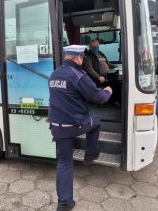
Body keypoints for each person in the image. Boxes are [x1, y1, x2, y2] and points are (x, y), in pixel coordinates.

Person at [48, 45, 112, 211]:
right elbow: (98, 98)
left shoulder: (54, 74)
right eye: (82, 58)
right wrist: (108, 91)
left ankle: (64, 203)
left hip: (57, 126)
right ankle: (90, 155)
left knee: (64, 163)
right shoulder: (78, 75)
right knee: (96, 121)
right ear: (77, 58)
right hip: (75, 125)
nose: (83, 60)